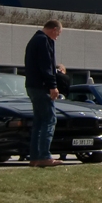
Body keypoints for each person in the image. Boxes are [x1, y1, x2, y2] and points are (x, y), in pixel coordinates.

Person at [24, 19, 63, 168]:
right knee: (50, 119)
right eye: (58, 34)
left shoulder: (34, 40)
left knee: (39, 122)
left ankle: (34, 157)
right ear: (54, 30)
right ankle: (44, 155)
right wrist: (53, 86)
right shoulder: (43, 41)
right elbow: (46, 66)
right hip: (41, 87)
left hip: (32, 86)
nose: (57, 37)